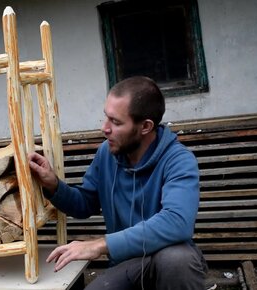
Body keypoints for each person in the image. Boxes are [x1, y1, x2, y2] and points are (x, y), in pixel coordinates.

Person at [29, 76, 207, 289]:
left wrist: (101, 244)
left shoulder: (178, 160)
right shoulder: (107, 153)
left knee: (177, 259)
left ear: (145, 126)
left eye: (116, 122)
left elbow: (177, 222)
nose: (105, 128)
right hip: (127, 263)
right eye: (106, 118)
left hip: (168, 259)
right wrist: (53, 185)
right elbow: (85, 203)